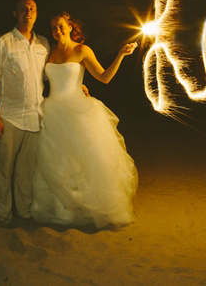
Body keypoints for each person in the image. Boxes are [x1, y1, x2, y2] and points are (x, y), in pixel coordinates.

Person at [31, 12, 139, 229]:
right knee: (58, 163)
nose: (57, 31)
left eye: (61, 26)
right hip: (52, 111)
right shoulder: (48, 52)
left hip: (78, 111)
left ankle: (90, 208)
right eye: (53, 28)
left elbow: (104, 77)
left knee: (86, 163)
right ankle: (64, 210)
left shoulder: (82, 50)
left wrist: (120, 55)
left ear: (70, 27)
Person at [0, 0, 50, 224]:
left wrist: (79, 83)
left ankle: (24, 209)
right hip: (9, 116)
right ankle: (2, 212)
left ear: (37, 13)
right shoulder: (2, 43)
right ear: (15, 13)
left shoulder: (44, 44)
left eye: (32, 9)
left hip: (35, 116)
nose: (28, 13)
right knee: (4, 168)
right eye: (23, 9)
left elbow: (53, 74)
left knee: (27, 170)